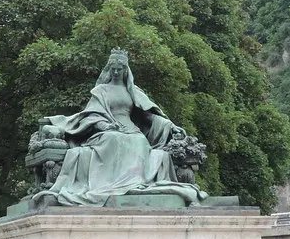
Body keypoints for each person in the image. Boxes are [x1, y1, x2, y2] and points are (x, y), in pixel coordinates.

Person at [33, 48, 206, 207]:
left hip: (132, 131)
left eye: (120, 69)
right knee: (114, 139)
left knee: (139, 141)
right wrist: (105, 125)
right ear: (109, 69)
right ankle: (110, 185)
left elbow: (149, 115)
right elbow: (92, 114)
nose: (116, 72)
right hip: (107, 130)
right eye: (113, 68)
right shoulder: (101, 90)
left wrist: (170, 126)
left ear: (125, 70)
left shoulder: (132, 91)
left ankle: (136, 182)